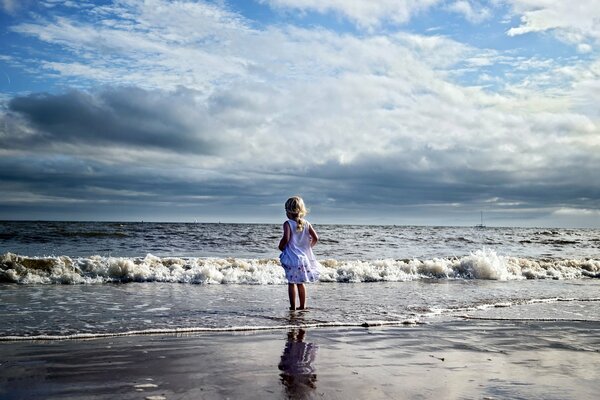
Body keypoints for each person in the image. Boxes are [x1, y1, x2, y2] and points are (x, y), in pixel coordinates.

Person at [278, 196, 320, 310]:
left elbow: (286, 238)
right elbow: (316, 238)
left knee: (291, 283)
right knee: (301, 283)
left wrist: (281, 247)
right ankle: (302, 306)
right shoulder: (306, 223)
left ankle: (293, 307)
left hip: (292, 259)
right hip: (303, 259)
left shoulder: (288, 223)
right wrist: (308, 248)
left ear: (288, 211)